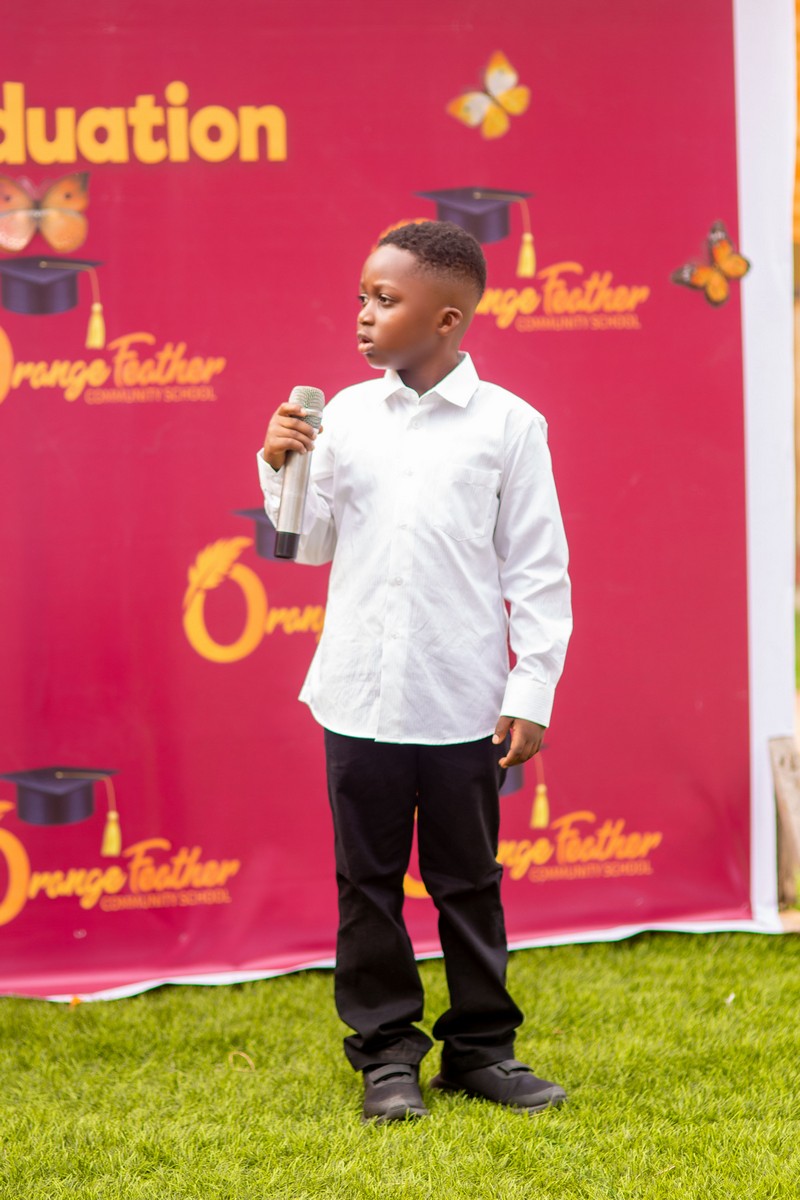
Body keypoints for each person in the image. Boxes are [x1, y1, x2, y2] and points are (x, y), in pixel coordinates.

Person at [257, 220, 572, 1123]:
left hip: (462, 699)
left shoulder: (510, 425)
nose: (363, 314)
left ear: (446, 318)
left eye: (385, 300)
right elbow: (307, 545)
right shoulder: (345, 417)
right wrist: (281, 465)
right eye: (362, 296)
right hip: (359, 696)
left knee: (468, 880)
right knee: (367, 883)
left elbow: (537, 569)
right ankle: (387, 1056)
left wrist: (531, 689)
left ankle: (481, 1050)